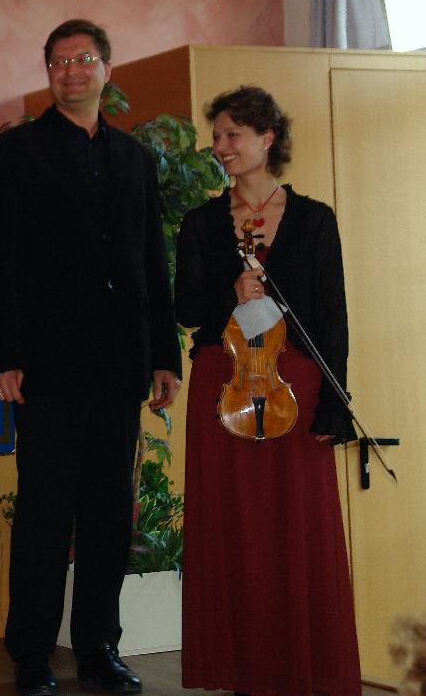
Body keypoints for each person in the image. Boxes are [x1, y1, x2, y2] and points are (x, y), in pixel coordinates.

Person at [0, 18, 181, 696]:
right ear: (47, 73)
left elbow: (150, 261)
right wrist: (2, 355)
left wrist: (164, 356)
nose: (72, 71)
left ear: (105, 70)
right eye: (60, 61)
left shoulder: (134, 158)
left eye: (84, 59)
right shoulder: (8, 154)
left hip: (119, 369)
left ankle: (98, 648)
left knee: (106, 517)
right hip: (44, 369)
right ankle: (31, 655)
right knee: (42, 515)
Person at [177, 85, 361, 694]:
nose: (221, 146)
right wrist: (229, 292)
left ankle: (304, 668)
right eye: (217, 136)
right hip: (224, 385)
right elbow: (186, 309)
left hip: (294, 386)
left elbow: (331, 318)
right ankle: (240, 670)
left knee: (297, 525)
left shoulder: (314, 221)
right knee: (233, 525)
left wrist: (335, 402)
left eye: (233, 134)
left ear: (267, 138)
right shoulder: (201, 224)